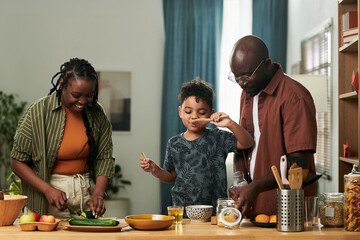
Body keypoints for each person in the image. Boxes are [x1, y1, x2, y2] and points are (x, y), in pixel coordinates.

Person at [11, 58, 115, 218]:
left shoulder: (97, 114)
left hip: (86, 192)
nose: (82, 101)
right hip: (49, 196)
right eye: (76, 95)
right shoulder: (38, 112)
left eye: (89, 95)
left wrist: (98, 194)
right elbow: (17, 162)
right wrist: (48, 189)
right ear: (61, 83)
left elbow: (104, 158)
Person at [227, 35, 317, 218]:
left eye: (246, 75)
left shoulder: (295, 97)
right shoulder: (247, 93)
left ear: (267, 64)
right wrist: (241, 181)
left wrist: (255, 187)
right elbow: (242, 145)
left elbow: (297, 164)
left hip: (288, 213)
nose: (241, 83)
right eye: (236, 77)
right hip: (252, 211)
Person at [140, 78, 253, 215]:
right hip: (182, 212)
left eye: (201, 112)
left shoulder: (218, 137)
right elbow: (170, 177)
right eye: (188, 112)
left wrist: (230, 123)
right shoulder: (174, 143)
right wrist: (156, 170)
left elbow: (247, 143)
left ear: (211, 114)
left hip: (214, 211)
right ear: (180, 111)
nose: (194, 117)